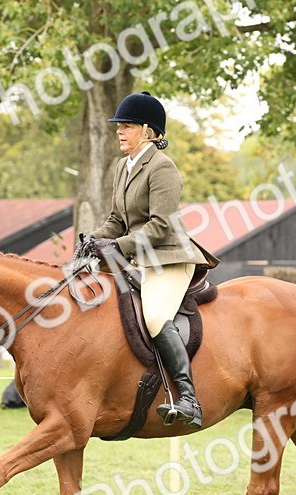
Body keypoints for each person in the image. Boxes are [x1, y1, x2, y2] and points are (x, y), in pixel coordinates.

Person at [83, 91, 219, 429]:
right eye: (119, 126)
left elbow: (161, 225)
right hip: (139, 257)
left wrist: (119, 247)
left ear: (147, 130)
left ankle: (189, 398)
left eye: (126, 126)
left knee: (156, 316)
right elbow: (117, 219)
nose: (119, 131)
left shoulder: (162, 168)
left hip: (169, 257)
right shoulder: (123, 167)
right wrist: (93, 240)